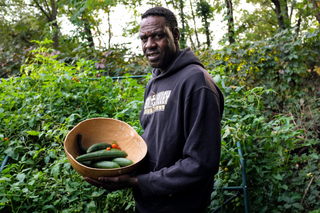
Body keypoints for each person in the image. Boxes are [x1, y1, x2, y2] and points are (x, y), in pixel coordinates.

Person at [84, 6, 224, 213]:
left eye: (158, 36)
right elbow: (153, 140)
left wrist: (136, 181)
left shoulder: (196, 83)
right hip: (148, 203)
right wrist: (116, 165)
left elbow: (201, 163)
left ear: (175, 34)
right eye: (143, 38)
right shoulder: (155, 81)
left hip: (180, 206)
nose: (149, 45)